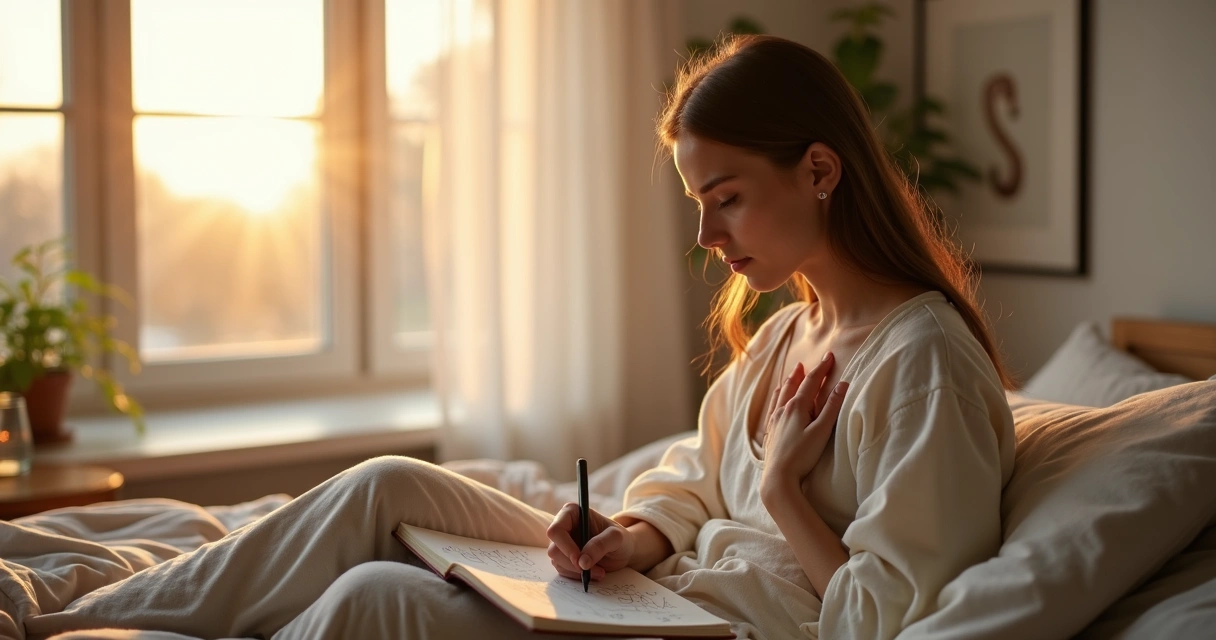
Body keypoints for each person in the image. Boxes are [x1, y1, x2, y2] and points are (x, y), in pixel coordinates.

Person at [28, 34, 1015, 640]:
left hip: (715, 628)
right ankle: (70, 622)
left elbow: (889, 621)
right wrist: (629, 532)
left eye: (726, 200)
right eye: (696, 205)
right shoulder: (789, 330)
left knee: (380, 600)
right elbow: (691, 476)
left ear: (818, 171)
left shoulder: (919, 362)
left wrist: (781, 491)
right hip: (659, 586)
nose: (706, 237)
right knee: (385, 483)